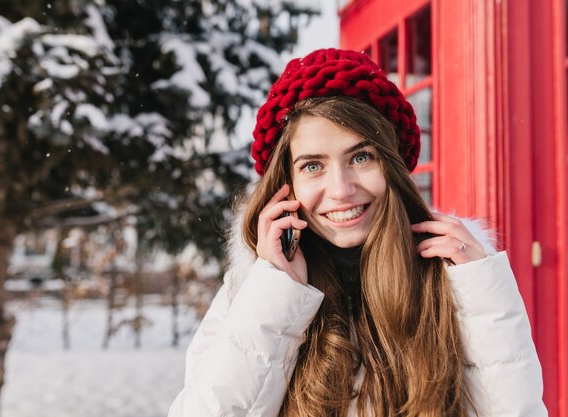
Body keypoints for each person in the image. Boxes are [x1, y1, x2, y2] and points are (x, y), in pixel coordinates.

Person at [168, 49, 547, 417]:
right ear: (287, 184)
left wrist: (481, 293)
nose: (341, 189)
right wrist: (275, 294)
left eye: (361, 157)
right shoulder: (254, 291)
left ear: (392, 165)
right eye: (313, 166)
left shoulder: (452, 280)